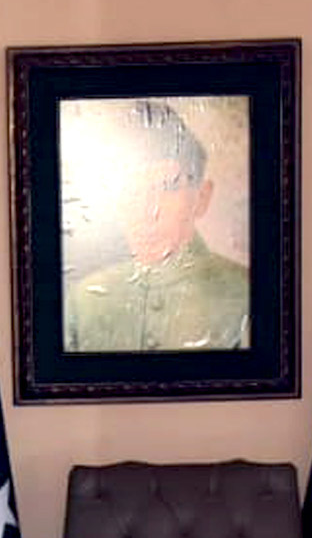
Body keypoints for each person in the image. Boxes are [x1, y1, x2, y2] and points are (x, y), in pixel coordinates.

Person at [64, 99, 250, 354]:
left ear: (202, 197)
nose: (148, 211)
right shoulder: (82, 302)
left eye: (167, 187)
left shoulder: (245, 295)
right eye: (131, 190)